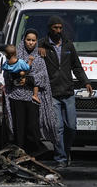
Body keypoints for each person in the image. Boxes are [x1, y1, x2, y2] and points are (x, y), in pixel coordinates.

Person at [39, 16, 93, 168]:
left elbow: (76, 66)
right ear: (50, 28)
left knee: (71, 127)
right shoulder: (42, 45)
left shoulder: (68, 45)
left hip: (68, 91)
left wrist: (86, 82)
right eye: (55, 28)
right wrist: (38, 50)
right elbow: (29, 55)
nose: (58, 31)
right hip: (52, 93)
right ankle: (61, 158)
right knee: (57, 128)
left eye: (60, 28)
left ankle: (66, 150)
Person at [3, 29, 56, 157]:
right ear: (24, 40)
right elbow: (7, 73)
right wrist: (15, 77)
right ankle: (19, 154)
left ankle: (34, 154)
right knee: (19, 128)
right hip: (16, 96)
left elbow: (43, 77)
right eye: (28, 40)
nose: (31, 43)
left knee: (32, 127)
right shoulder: (16, 55)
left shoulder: (39, 58)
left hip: (33, 98)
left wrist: (29, 80)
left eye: (33, 40)